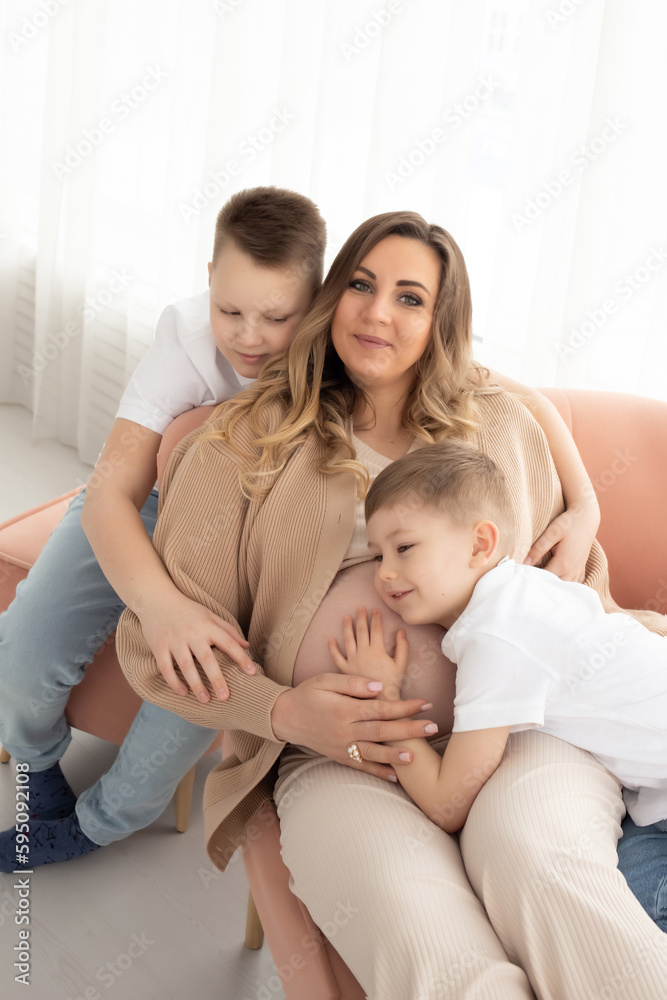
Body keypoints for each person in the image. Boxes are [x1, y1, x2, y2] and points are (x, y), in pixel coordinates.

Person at [117, 210, 667, 998]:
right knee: (427, 938)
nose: (378, 312)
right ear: (330, 295)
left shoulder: (499, 426)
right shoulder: (243, 444)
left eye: (410, 297)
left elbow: (576, 595)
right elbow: (158, 649)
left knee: (544, 869)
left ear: (439, 320)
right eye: (361, 285)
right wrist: (281, 713)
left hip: (525, 730)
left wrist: (584, 510)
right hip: (338, 759)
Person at [0, 186, 326, 871]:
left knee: (199, 689)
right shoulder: (183, 337)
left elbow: (491, 385)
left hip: (246, 547)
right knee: (24, 645)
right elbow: (111, 492)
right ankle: (36, 763)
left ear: (316, 301)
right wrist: (160, 606)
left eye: (276, 317)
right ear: (208, 280)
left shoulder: (343, 349)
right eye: (229, 309)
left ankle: (100, 824)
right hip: (150, 499)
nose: (247, 336)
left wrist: (586, 507)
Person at [328, 439, 667, 930]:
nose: (384, 574)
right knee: (629, 898)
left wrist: (385, 697)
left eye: (403, 548)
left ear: (480, 544)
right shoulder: (522, 592)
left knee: (637, 915)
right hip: (653, 803)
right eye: (376, 555)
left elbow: (448, 803)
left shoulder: (496, 633)